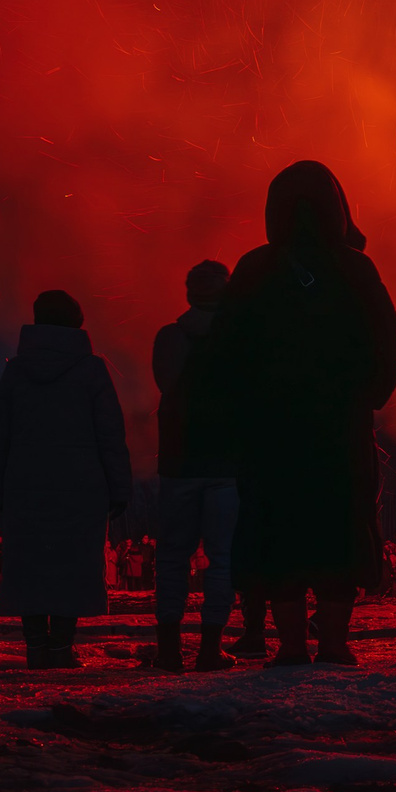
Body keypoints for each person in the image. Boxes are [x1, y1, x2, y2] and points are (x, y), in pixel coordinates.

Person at [191, 163, 396, 666]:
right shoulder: (356, 268)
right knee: (340, 530)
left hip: (270, 435)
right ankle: (332, 643)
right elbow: (386, 335)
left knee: (274, 532)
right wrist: (370, 393)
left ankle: (290, 645)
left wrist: (237, 409)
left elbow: (223, 350)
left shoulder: (254, 268)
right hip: (340, 431)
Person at [0, 290, 134, 669]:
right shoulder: (92, 370)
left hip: (23, 484)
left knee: (27, 564)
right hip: (82, 486)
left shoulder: (15, 370)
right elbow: (110, 433)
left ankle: (35, 647)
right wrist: (119, 488)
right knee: (73, 563)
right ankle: (63, 647)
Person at [151, 260, 239, 672]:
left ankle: (168, 648)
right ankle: (210, 648)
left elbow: (167, 388)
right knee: (222, 559)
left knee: (172, 557)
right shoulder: (243, 339)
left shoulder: (169, 337)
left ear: (188, 293)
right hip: (228, 461)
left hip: (178, 461)